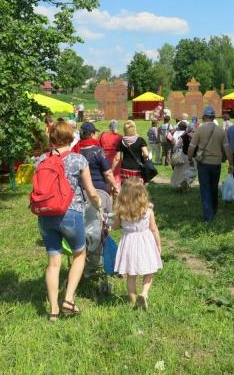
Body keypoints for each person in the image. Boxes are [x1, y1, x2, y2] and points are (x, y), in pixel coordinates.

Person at [36, 122, 102, 321]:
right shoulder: (78, 159)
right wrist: (99, 204)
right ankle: (69, 299)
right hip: (70, 213)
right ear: (72, 138)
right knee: (79, 254)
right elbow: (90, 191)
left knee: (53, 263)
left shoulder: (41, 159)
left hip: (45, 215)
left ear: (52, 139)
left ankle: (53, 310)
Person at [112, 179, 162, 310]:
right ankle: (144, 293)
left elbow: (116, 226)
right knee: (150, 269)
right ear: (142, 194)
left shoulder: (121, 211)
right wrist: (158, 244)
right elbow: (154, 229)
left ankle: (133, 302)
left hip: (129, 242)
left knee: (131, 274)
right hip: (146, 242)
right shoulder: (148, 210)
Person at [187, 106, 234, 222]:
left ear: (204, 117)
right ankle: (214, 210)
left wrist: (189, 159)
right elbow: (227, 149)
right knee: (214, 187)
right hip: (216, 164)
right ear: (213, 117)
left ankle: (209, 216)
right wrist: (231, 164)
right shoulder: (221, 131)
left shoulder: (199, 130)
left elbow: (191, 147)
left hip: (203, 163)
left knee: (205, 188)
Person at [74, 122, 119, 196]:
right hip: (98, 190)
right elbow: (108, 173)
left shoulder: (75, 150)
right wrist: (115, 186)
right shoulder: (98, 151)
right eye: (95, 133)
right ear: (92, 135)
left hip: (81, 190)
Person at [170, 121, 193, 191]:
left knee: (180, 171)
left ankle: (181, 185)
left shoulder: (181, 135)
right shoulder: (194, 136)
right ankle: (185, 186)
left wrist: (173, 150)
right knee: (188, 171)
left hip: (182, 155)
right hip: (191, 156)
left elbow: (176, 144)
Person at [99, 120, 122, 185]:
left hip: (104, 158)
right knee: (116, 177)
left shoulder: (103, 135)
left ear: (109, 127)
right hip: (116, 159)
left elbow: (98, 146)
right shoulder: (120, 137)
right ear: (117, 127)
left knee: (106, 176)